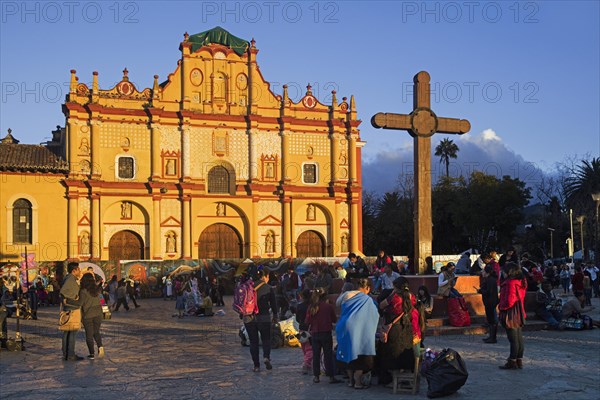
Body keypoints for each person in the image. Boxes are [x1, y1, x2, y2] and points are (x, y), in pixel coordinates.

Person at [376, 277, 422, 386]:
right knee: (404, 353)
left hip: (394, 329)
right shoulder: (412, 297)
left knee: (391, 353)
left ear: (396, 286)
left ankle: (391, 380)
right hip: (407, 328)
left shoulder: (394, 297)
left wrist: (392, 293)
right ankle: (403, 378)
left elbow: (381, 305)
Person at [335, 278, 379, 390]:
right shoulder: (368, 300)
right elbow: (375, 314)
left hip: (345, 326)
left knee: (349, 353)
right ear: (367, 288)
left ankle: (350, 381)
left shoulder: (346, 295)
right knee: (360, 356)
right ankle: (358, 382)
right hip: (359, 329)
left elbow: (337, 304)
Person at [243, 270, 277, 372]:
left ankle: (256, 366)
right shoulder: (268, 288)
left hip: (249, 318)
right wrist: (275, 315)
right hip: (264, 317)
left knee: (253, 342)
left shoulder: (246, 287)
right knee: (266, 339)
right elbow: (274, 304)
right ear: (263, 277)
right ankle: (266, 356)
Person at [305, 287, 341, 384]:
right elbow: (334, 319)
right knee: (328, 355)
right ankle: (331, 376)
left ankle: (316, 376)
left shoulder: (311, 307)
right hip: (326, 333)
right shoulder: (328, 307)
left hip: (315, 334)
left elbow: (307, 321)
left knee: (316, 355)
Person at [498, 262, 527, 369]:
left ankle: (512, 361)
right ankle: (519, 360)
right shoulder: (521, 282)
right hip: (519, 311)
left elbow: (510, 299)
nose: (502, 273)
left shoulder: (511, 283)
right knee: (518, 338)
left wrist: (502, 308)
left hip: (511, 312)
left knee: (513, 339)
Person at [60, 262, 83, 361]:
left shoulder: (68, 278)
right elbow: (63, 291)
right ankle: (70, 354)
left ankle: (66, 353)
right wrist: (74, 298)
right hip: (72, 308)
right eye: (78, 269)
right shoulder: (70, 279)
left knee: (67, 332)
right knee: (72, 332)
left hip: (68, 308)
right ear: (74, 270)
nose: (80, 271)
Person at [79, 273, 104, 359]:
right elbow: (102, 301)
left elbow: (80, 303)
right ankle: (100, 347)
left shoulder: (83, 291)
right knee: (96, 332)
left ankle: (92, 354)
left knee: (89, 335)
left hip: (88, 315)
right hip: (98, 314)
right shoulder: (97, 289)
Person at [479, 265, 499, 343]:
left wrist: (480, 291)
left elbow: (489, 292)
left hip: (490, 302)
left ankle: (492, 337)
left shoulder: (490, 280)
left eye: (484, 271)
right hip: (490, 301)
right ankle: (491, 336)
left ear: (487, 273)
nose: (482, 273)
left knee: (492, 320)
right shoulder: (490, 279)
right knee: (491, 319)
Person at [296, 289, 313, 375]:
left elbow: (297, 319)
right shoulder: (312, 306)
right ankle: (307, 364)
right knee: (310, 348)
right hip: (310, 329)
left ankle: (308, 364)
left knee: (304, 348)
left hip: (302, 328)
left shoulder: (300, 306)